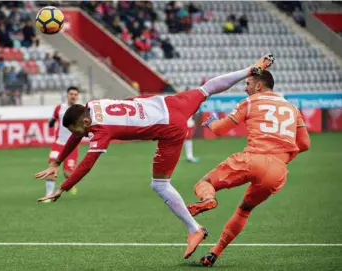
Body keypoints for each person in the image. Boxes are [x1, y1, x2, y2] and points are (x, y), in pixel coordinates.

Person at [35, 55, 274, 259]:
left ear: (86, 122)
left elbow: (87, 163)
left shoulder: (101, 131)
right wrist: (57, 161)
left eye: (78, 129)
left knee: (159, 184)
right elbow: (77, 136)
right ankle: (249, 70)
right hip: (171, 104)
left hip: (170, 128)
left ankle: (194, 229)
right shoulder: (90, 105)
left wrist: (63, 188)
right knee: (207, 88)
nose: (78, 135)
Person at [187, 69, 311, 266]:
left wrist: (211, 123)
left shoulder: (251, 102)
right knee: (244, 211)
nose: (246, 88)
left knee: (205, 183)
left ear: (259, 86)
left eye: (248, 84)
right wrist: (281, 158)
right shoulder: (291, 108)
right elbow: (304, 144)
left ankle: (209, 199)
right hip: (277, 170)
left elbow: (220, 129)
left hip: (252, 159)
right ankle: (213, 254)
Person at [44, 86, 81, 202]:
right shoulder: (59, 108)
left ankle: (72, 184)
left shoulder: (81, 110)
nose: (73, 96)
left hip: (72, 146)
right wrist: (51, 122)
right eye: (71, 94)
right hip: (58, 144)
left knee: (67, 173)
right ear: (67, 95)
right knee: (52, 168)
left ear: (77, 97)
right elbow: (54, 118)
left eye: (75, 94)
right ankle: (49, 195)